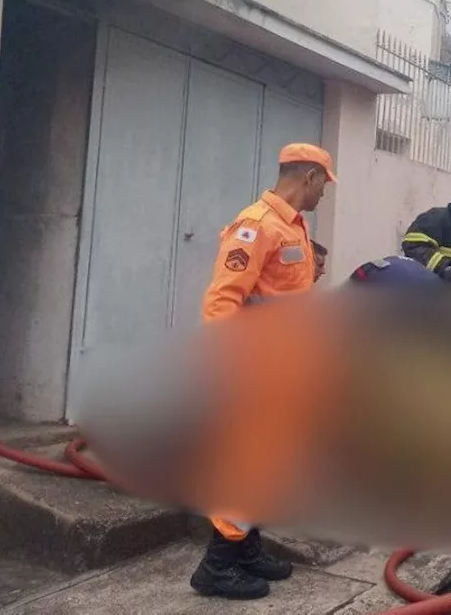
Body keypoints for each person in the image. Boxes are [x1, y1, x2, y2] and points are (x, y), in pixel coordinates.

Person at [191, 143, 336, 600]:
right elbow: (223, 300)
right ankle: (218, 564)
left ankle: (246, 547)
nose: (324, 195)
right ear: (309, 176)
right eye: (324, 186)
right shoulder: (255, 226)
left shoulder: (292, 227)